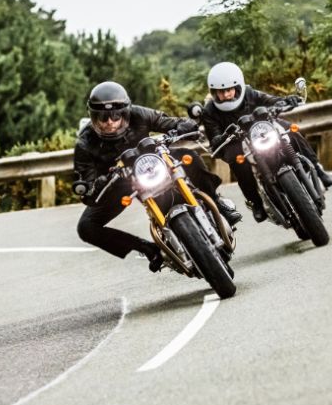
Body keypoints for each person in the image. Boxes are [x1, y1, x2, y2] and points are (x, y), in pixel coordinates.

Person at [74, 81, 242, 272]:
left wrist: (184, 125)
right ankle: (148, 249)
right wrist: (97, 185)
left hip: (154, 162)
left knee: (190, 156)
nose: (110, 122)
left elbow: (169, 122)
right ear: (93, 117)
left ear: (125, 112)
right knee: (86, 227)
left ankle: (217, 203)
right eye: (103, 117)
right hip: (120, 181)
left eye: (115, 115)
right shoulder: (85, 143)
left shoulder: (139, 114)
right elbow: (86, 186)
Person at [200, 61, 332, 223]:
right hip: (236, 141)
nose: (227, 94)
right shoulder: (209, 111)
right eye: (221, 91)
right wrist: (222, 137)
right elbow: (214, 139)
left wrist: (286, 101)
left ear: (238, 86)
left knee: (289, 129)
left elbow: (271, 100)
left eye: (229, 89)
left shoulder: (250, 93)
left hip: (261, 130)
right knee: (237, 160)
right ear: (214, 92)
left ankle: (318, 169)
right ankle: (256, 202)